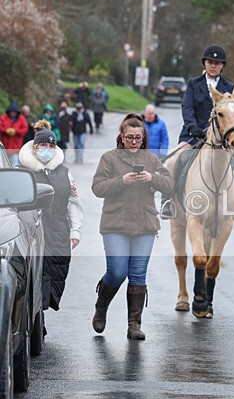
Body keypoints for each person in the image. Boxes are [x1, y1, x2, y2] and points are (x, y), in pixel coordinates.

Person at [91, 113, 174, 340]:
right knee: (117, 272)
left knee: (138, 274)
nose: (134, 142)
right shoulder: (109, 158)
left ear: (144, 138)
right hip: (115, 223)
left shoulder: (151, 159)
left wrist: (152, 178)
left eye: (138, 138)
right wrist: (122, 181)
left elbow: (169, 185)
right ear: (122, 137)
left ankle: (134, 325)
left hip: (145, 225)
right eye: (130, 138)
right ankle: (101, 306)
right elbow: (97, 187)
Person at [161, 43, 234, 218]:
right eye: (210, 62)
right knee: (172, 161)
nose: (213, 65)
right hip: (195, 136)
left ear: (222, 66)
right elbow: (187, 108)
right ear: (204, 63)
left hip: (221, 139)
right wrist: (193, 127)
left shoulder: (229, 87)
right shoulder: (193, 84)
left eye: (217, 63)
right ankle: (167, 202)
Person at [18, 121, 83, 327]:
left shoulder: (65, 173)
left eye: (50, 147)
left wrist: (76, 231)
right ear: (35, 147)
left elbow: (74, 203)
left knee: (54, 275)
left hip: (58, 231)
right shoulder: (22, 171)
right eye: (42, 146)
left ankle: (40, 315)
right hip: (30, 232)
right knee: (36, 276)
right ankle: (37, 322)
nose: (46, 150)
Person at [0, 101, 29, 166]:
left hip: (15, 146)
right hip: (4, 146)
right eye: (12, 112)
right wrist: (6, 130)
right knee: (3, 164)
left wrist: (16, 131)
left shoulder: (22, 119)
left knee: (14, 165)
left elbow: (25, 129)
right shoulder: (3, 117)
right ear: (9, 111)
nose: (13, 113)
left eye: (15, 112)